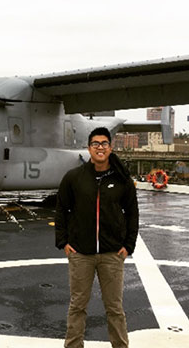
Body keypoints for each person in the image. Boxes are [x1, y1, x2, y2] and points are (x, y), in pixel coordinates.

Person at [55, 126, 138, 348]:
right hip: (81, 253)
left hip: (112, 254)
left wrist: (128, 245)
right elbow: (62, 209)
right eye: (95, 144)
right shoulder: (74, 178)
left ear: (110, 148)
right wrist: (63, 242)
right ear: (89, 148)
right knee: (78, 306)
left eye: (104, 144)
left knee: (114, 308)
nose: (100, 148)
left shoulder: (122, 180)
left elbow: (132, 213)